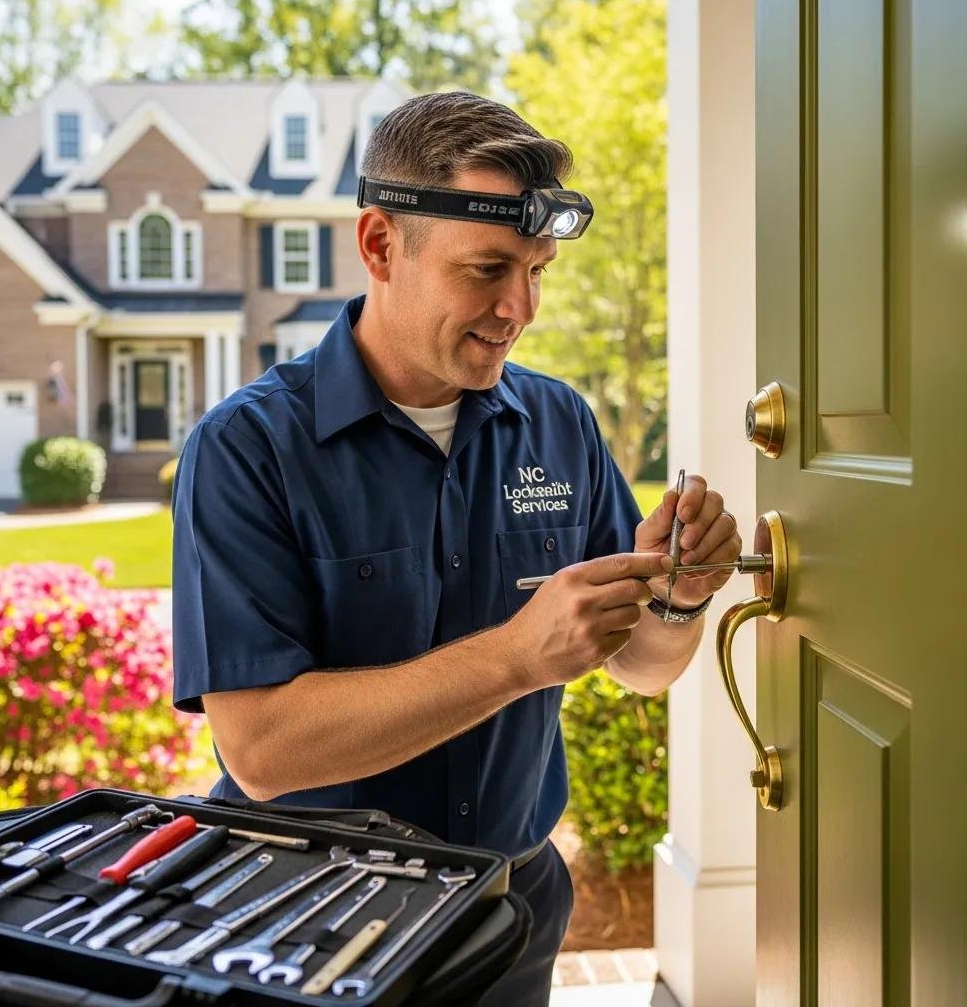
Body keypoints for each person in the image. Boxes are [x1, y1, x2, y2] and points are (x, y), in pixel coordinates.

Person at [171, 90, 741, 1005]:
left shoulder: (559, 422)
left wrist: (676, 600)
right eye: (487, 269)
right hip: (302, 928)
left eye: (538, 270)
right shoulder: (247, 448)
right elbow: (262, 750)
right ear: (379, 246)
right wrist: (520, 655)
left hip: (510, 917)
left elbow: (641, 666)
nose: (520, 308)